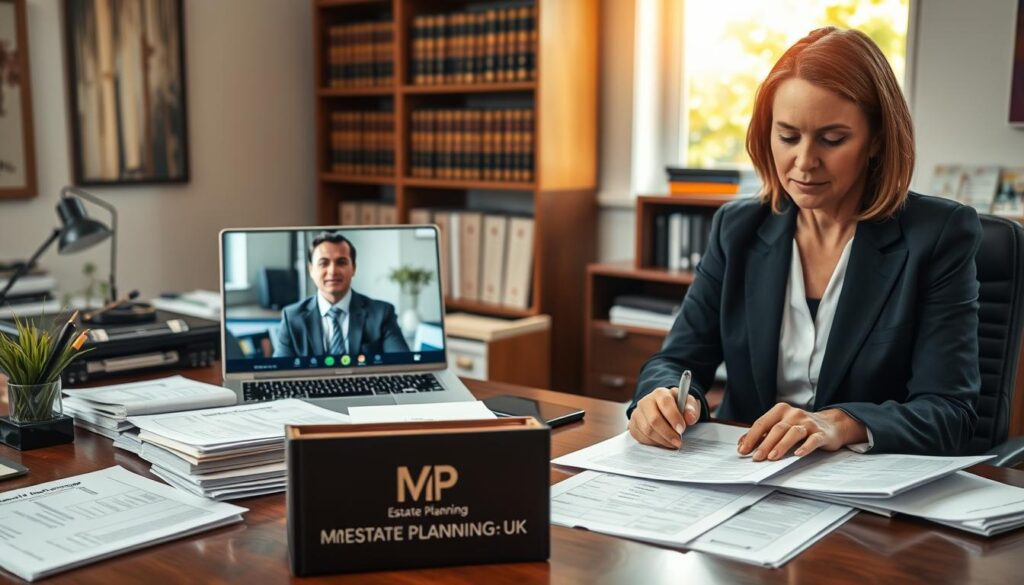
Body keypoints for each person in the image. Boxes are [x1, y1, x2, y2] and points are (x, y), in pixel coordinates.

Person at [627, 27, 981, 458]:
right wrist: (662, 398)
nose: (804, 161)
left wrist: (841, 423)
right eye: (788, 136)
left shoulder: (939, 235)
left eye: (832, 139)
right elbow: (677, 360)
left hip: (866, 496)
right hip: (745, 472)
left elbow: (951, 413)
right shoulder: (736, 229)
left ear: (876, 140)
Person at [273, 231, 410, 358]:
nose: (332, 271)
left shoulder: (382, 313)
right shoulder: (292, 317)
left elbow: (402, 364)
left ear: (354, 268)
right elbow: (278, 372)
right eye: (323, 263)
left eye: (341, 262)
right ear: (311, 270)